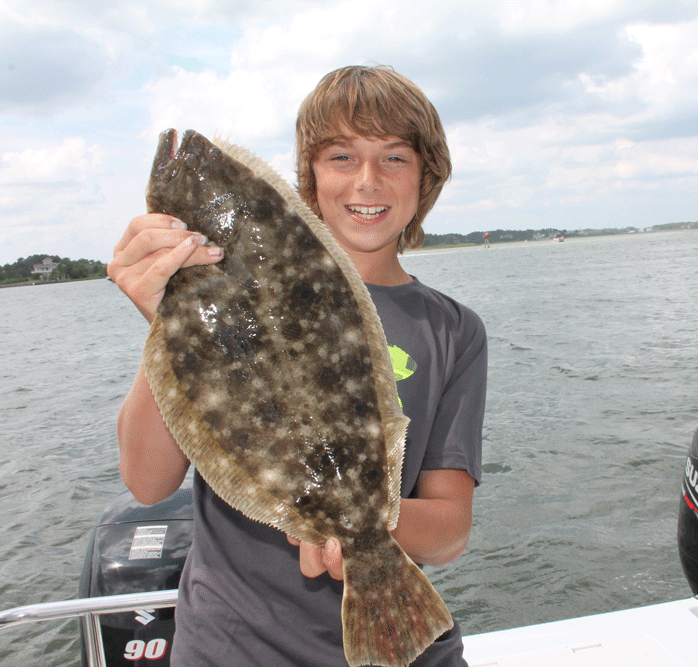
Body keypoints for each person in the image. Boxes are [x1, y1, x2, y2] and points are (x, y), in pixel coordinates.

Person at [108, 65, 487, 667]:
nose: (367, 180)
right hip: (232, 650)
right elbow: (148, 483)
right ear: (307, 178)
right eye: (341, 156)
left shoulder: (453, 330)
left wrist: (360, 526)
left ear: (426, 177)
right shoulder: (219, 304)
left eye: (394, 158)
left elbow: (449, 530)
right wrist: (171, 319)